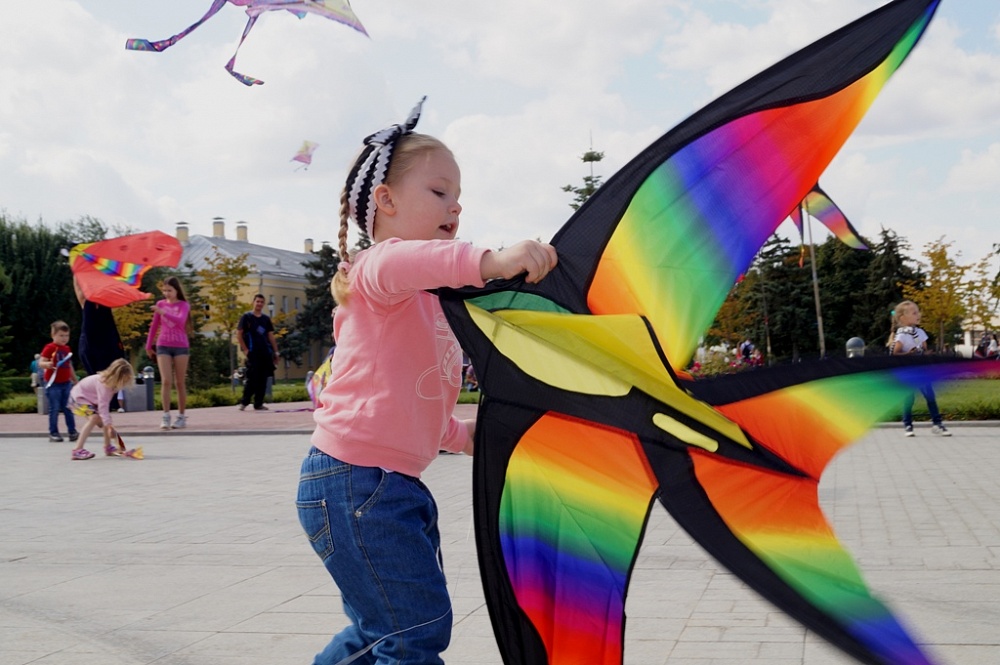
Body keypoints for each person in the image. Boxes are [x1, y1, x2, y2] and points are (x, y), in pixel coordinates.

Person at [296, 99, 557, 665]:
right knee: (414, 630)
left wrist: (487, 435)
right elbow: (423, 262)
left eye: (459, 198)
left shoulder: (432, 304)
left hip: (388, 486)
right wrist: (492, 259)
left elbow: (427, 416)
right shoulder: (377, 270)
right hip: (356, 483)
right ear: (385, 201)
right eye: (439, 192)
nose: (455, 207)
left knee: (386, 631)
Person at [890, 300, 950, 437]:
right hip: (909, 372)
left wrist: (927, 355)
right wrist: (908, 354)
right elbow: (895, 353)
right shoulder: (901, 335)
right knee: (909, 399)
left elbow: (923, 349)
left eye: (918, 312)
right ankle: (908, 425)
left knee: (930, 397)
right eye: (914, 313)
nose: (918, 315)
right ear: (903, 318)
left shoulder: (920, 333)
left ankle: (937, 424)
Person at [145, 276, 192, 429]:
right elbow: (154, 326)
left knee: (179, 382)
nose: (166, 293)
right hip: (163, 344)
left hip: (180, 346)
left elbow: (180, 320)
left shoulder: (184, 305)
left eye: (169, 290)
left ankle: (181, 416)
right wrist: (148, 345)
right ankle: (165, 415)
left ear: (176, 290)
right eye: (164, 291)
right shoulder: (160, 304)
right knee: (166, 380)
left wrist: (163, 312)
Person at [73, 276, 126, 410]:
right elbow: (79, 289)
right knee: (96, 378)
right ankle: (96, 406)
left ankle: (106, 407)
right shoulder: (86, 301)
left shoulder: (105, 301)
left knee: (109, 376)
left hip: (107, 344)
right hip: (91, 344)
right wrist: (77, 271)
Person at [68, 359, 135, 460]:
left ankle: (108, 448)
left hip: (87, 399)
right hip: (77, 398)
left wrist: (109, 426)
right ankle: (77, 450)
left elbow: (104, 410)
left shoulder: (111, 385)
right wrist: (109, 426)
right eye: (124, 380)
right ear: (117, 377)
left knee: (105, 420)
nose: (125, 383)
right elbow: (103, 407)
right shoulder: (104, 385)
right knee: (95, 418)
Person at [237, 294, 280, 411]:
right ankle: (244, 402)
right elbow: (239, 334)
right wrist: (245, 349)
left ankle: (258, 403)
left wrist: (276, 352)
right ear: (253, 302)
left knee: (263, 378)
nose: (259, 304)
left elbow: (270, 335)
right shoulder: (247, 317)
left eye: (262, 302)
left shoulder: (265, 319)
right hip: (253, 352)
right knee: (252, 378)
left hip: (265, 352)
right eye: (258, 301)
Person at [39, 321, 79, 443]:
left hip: (66, 383)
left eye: (66, 336)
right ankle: (54, 432)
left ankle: (72, 431)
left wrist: (75, 380)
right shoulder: (49, 347)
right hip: (53, 384)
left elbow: (69, 365)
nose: (64, 338)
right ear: (53, 335)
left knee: (68, 408)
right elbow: (41, 363)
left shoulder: (67, 349)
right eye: (61, 335)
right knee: (54, 408)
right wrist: (48, 364)